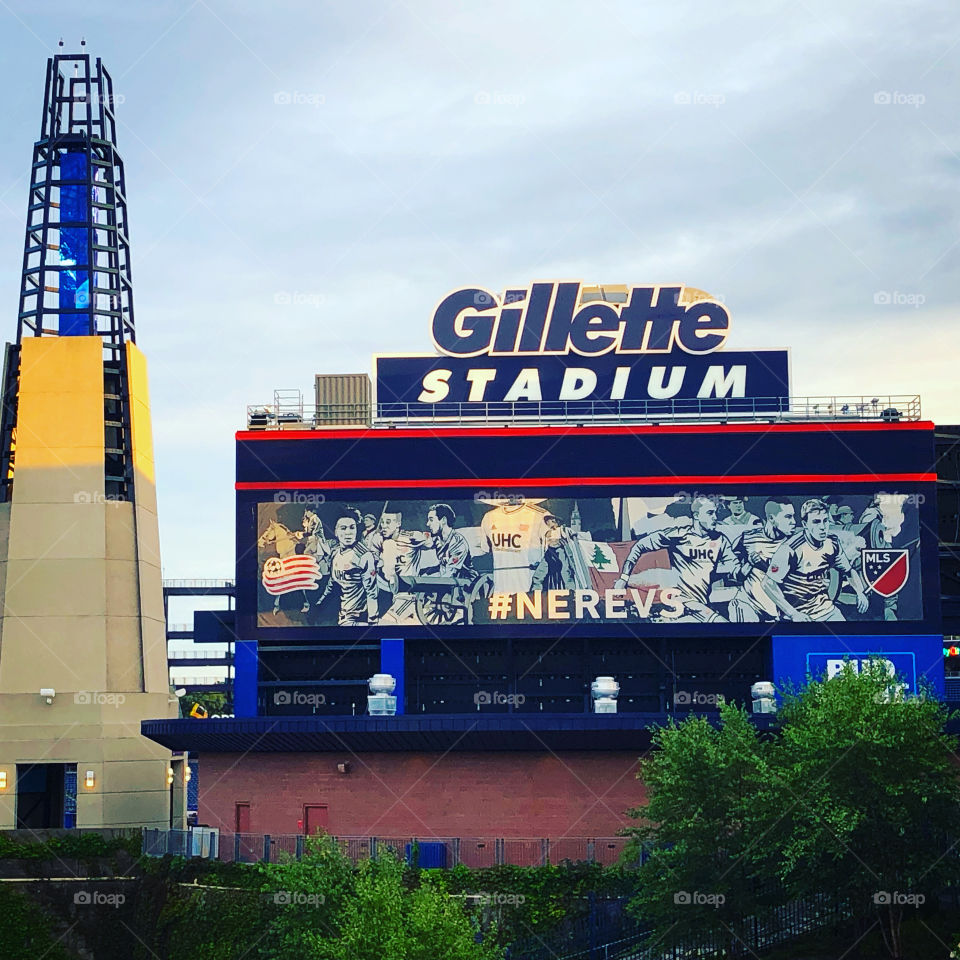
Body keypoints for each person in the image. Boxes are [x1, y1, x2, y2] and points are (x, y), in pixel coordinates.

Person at [613, 495, 738, 623]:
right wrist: (624, 578)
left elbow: (736, 569)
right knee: (722, 624)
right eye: (710, 513)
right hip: (680, 601)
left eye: (715, 513)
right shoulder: (679, 535)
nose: (715, 518)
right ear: (696, 516)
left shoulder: (720, 540)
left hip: (701, 603)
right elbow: (639, 546)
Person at [763, 498, 869, 622]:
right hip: (799, 617)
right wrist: (793, 614)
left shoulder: (832, 543)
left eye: (825, 521)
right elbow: (767, 584)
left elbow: (849, 571)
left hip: (827, 610)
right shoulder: (790, 549)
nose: (822, 527)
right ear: (805, 524)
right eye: (816, 522)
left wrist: (860, 592)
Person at [728, 499, 796, 622]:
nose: (794, 522)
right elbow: (732, 576)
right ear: (771, 518)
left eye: (793, 517)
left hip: (779, 613)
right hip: (748, 605)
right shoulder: (747, 538)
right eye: (788, 517)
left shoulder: (794, 545)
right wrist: (749, 564)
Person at [315, 507, 379, 625]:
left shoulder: (364, 556)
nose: (348, 532)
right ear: (336, 532)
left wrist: (373, 622)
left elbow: (371, 592)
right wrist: (320, 602)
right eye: (343, 528)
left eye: (352, 527)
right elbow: (332, 582)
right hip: (342, 614)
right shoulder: (335, 552)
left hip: (358, 617)